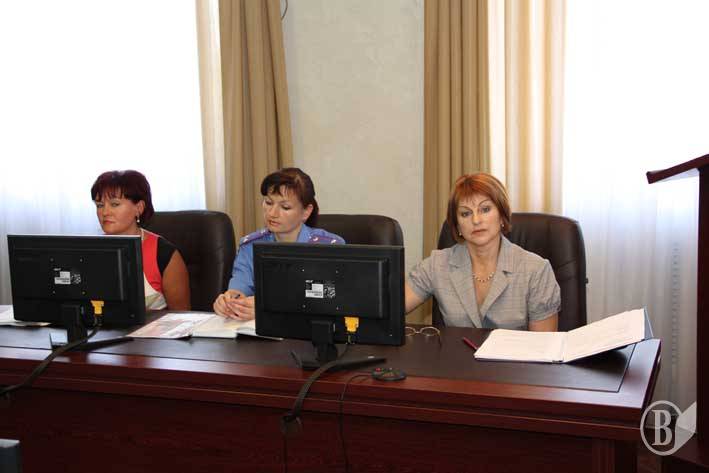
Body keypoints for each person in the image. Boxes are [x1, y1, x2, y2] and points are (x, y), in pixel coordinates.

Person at [406, 173, 560, 331]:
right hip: (456, 349)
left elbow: (543, 344)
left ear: (502, 215)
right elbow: (392, 307)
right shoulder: (437, 265)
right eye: (465, 213)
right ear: (458, 226)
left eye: (485, 209)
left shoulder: (536, 270)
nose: (476, 220)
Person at [213, 167, 344, 320]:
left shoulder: (329, 247)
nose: (272, 213)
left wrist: (269, 305)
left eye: (285, 207)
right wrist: (230, 300)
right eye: (268, 202)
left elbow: (330, 294)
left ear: (306, 212)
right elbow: (241, 285)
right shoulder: (250, 246)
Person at [91, 170, 191, 311]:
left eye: (114, 204)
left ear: (139, 208)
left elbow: (182, 316)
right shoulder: (89, 250)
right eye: (100, 205)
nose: (105, 212)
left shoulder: (164, 254)